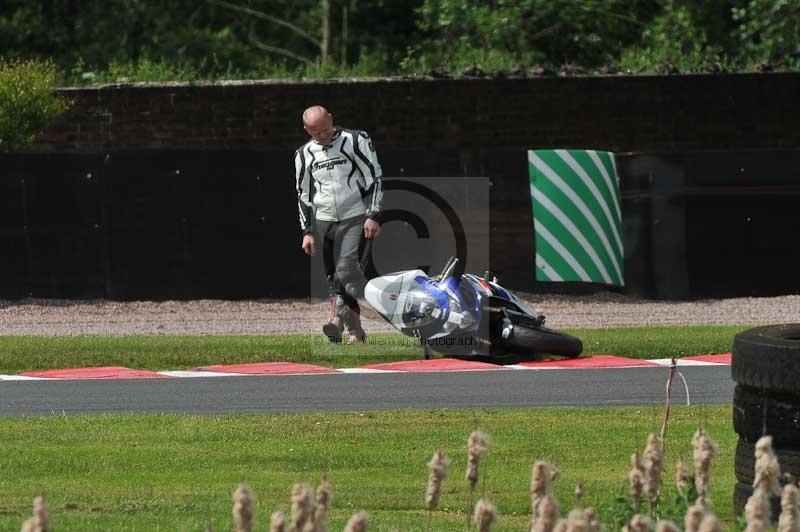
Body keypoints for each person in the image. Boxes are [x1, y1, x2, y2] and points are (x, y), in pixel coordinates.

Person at [295, 105, 383, 343]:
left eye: (326, 129)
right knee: (335, 278)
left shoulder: (355, 140)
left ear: (331, 119)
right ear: (307, 131)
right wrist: (307, 231)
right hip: (325, 221)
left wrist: (374, 214)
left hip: (355, 216)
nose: (323, 136)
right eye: (316, 133)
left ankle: (335, 320)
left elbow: (374, 176)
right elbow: (303, 195)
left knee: (345, 271)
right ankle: (356, 332)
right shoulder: (303, 154)